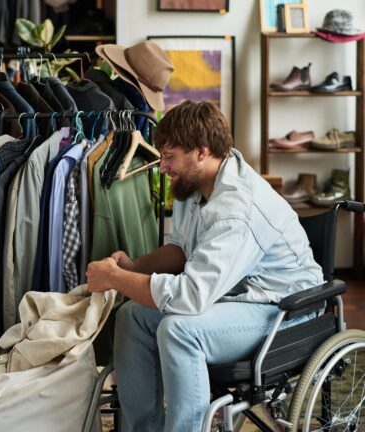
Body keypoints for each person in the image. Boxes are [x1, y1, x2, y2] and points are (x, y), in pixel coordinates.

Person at [86, 100, 323, 431]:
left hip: (285, 309)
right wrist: (135, 266)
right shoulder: (195, 184)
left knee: (180, 330)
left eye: (169, 157)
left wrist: (116, 277)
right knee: (132, 316)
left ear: (201, 151)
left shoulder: (236, 208)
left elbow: (191, 297)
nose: (163, 166)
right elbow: (182, 250)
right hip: (238, 296)